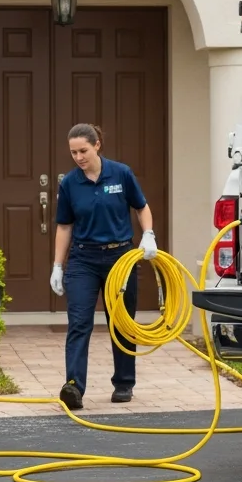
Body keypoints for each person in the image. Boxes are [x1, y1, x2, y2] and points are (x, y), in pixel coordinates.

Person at [49, 123, 159, 410]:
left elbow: (141, 207)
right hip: (83, 259)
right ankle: (73, 386)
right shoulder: (70, 183)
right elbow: (64, 226)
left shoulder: (121, 174)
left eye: (83, 150)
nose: (78, 157)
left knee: (121, 322)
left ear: (97, 145)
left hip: (119, 258)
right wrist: (57, 266)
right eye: (73, 152)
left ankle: (124, 383)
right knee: (79, 323)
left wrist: (148, 234)